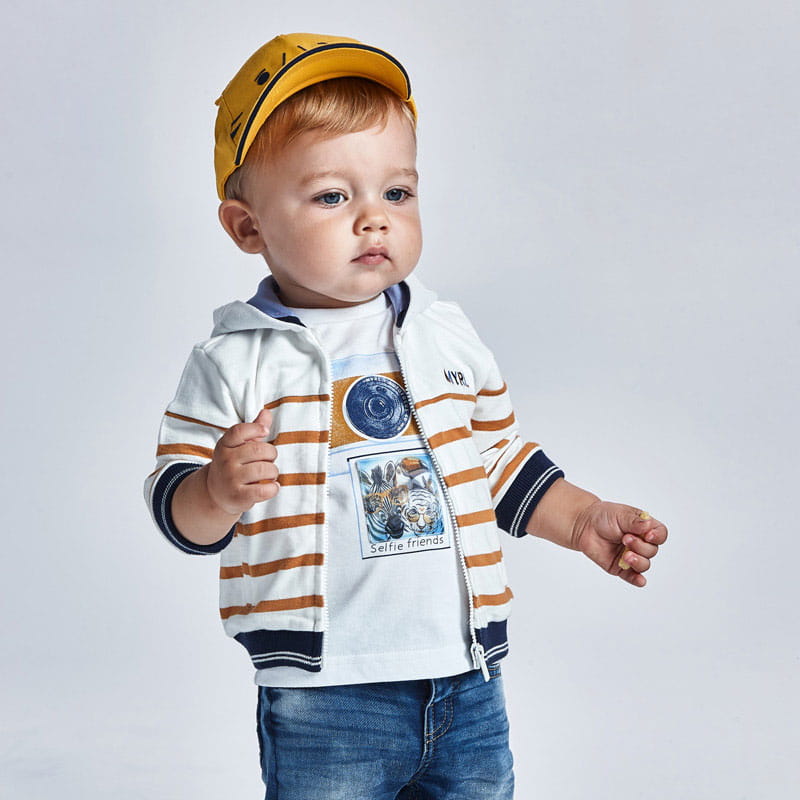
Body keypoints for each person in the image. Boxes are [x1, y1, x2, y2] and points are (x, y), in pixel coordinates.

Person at [143, 32, 668, 799]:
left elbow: (495, 461)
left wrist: (583, 517)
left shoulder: (442, 331)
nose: (374, 219)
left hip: (468, 679)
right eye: (332, 196)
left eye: (397, 193)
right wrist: (215, 491)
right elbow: (175, 505)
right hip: (328, 698)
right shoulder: (237, 359)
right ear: (248, 227)